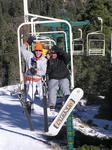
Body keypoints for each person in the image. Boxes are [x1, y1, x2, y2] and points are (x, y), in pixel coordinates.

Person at [21, 37, 47, 112]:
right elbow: (22, 49)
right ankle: (28, 103)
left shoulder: (43, 60)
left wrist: (36, 71)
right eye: (36, 50)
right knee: (31, 87)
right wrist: (28, 42)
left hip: (38, 79)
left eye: (39, 51)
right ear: (34, 51)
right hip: (30, 79)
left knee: (41, 91)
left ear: (42, 52)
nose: (38, 52)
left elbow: (44, 71)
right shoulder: (30, 56)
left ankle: (44, 103)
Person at [47, 45, 71, 112]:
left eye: (55, 53)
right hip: (54, 78)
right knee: (52, 88)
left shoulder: (62, 59)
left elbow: (67, 57)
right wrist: (48, 61)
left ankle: (67, 99)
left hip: (63, 77)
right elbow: (47, 71)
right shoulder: (49, 60)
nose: (54, 55)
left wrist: (59, 50)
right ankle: (52, 105)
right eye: (52, 53)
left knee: (65, 86)